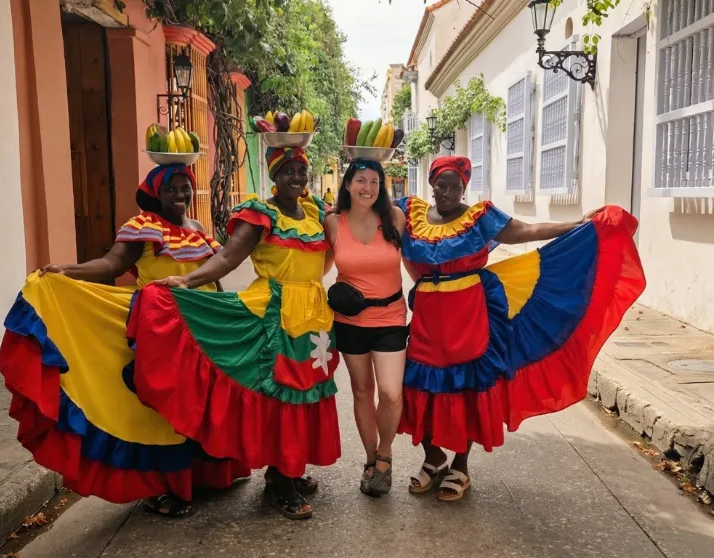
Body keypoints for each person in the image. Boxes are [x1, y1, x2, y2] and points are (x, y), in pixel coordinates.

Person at [0, 164, 250, 518]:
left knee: (200, 403)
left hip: (203, 330)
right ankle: (168, 488)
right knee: (164, 411)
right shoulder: (144, 227)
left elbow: (213, 277)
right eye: (172, 190)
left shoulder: (197, 229)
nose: (180, 196)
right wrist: (66, 271)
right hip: (160, 329)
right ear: (157, 194)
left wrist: (228, 316)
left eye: (185, 188)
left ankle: (203, 476)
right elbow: (111, 265)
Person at [397, 156, 645, 502]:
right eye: (442, 184)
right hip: (426, 317)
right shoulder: (411, 215)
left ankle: (461, 465)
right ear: (432, 184)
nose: (448, 192)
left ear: (464, 187)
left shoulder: (479, 217)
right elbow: (371, 217)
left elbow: (525, 231)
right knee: (416, 385)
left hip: (469, 317)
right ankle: (434, 457)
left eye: (456, 186)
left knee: (468, 388)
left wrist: (576, 224)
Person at [126, 147, 340, 520]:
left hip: (313, 314)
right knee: (280, 395)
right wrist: (188, 281)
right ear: (274, 175)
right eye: (287, 170)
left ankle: (285, 467)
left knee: (306, 391)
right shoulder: (261, 213)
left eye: (301, 170)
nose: (296, 177)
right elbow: (227, 258)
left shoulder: (316, 213)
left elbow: (338, 249)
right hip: (273, 312)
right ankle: (281, 482)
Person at [323, 159, 407, 497]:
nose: (367, 188)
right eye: (360, 180)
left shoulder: (394, 219)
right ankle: (371, 461)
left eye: (374, 181)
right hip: (349, 321)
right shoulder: (333, 223)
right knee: (361, 391)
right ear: (347, 184)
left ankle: (386, 454)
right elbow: (319, 265)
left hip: (390, 317)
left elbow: (414, 260)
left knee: (390, 392)